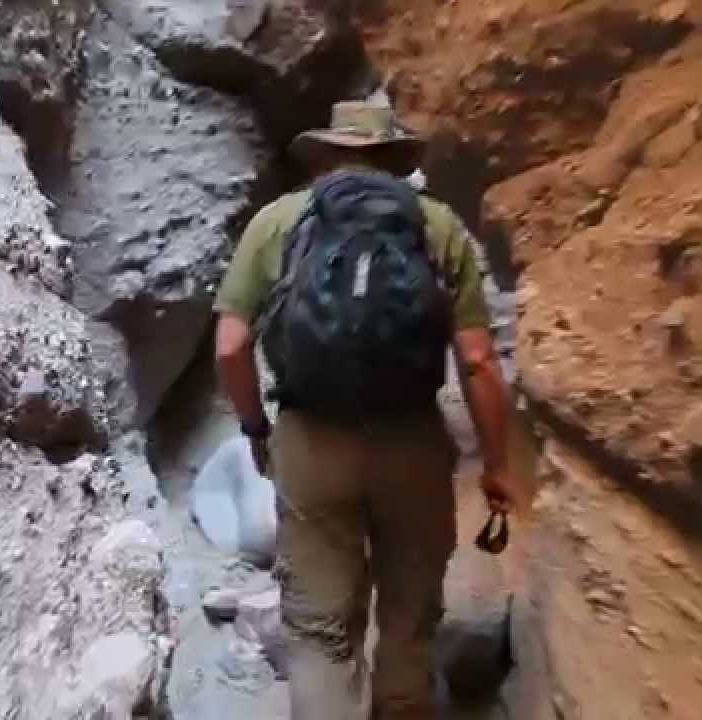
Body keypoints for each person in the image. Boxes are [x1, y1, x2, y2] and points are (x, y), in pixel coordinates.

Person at [213, 97, 521, 720]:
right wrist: (497, 463)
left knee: (321, 625)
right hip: (412, 441)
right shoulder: (436, 225)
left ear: (324, 155)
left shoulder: (276, 222)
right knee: (410, 611)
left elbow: (230, 348)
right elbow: (480, 361)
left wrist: (256, 428)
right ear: (396, 160)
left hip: (310, 439)